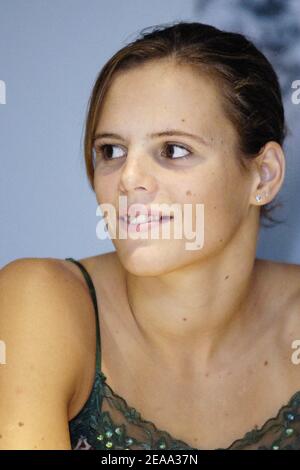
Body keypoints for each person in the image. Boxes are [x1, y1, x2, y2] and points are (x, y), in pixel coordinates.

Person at [1, 21, 300, 451]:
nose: (128, 178)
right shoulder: (38, 301)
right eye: (111, 150)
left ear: (263, 175)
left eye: (174, 150)